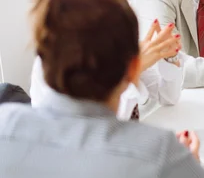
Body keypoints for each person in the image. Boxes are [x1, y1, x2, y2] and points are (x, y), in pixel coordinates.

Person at [0, 0, 204, 178]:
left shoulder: (6, 123)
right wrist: (189, 174)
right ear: (131, 68)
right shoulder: (158, 156)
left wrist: (166, 60)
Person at [30, 19, 183, 120]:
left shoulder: (118, 41)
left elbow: (168, 97)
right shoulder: (56, 63)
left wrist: (169, 57)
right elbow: (103, 133)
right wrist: (131, 75)